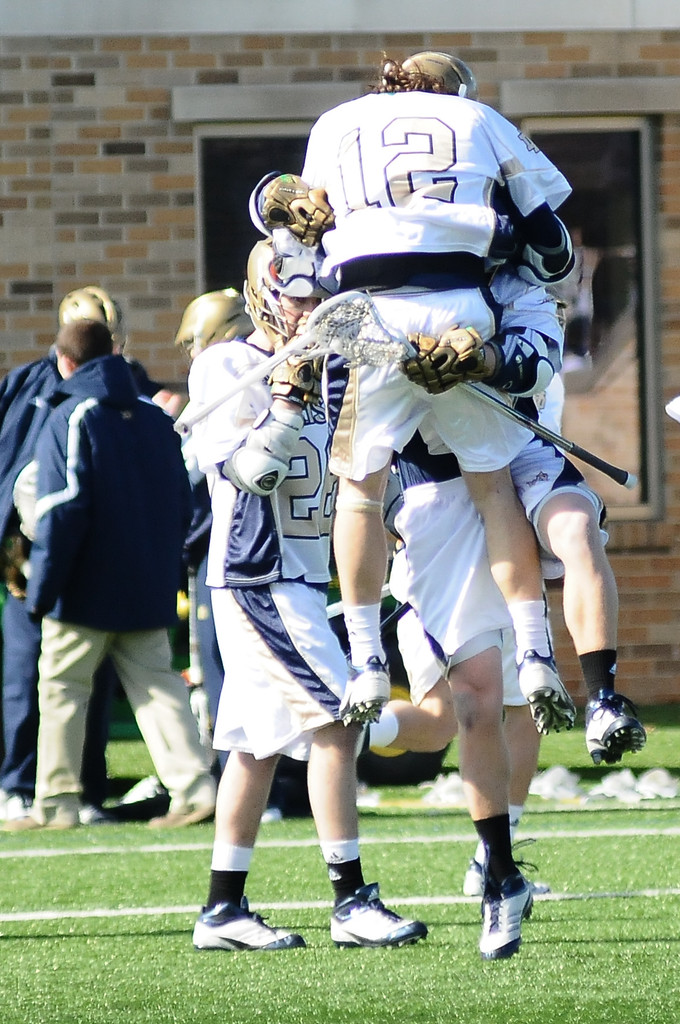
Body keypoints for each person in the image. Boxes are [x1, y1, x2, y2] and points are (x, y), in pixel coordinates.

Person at [255, 51, 576, 730]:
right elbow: (553, 251)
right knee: (493, 490)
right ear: (457, 90)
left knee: (361, 488)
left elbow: (292, 240)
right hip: (461, 307)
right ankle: (536, 648)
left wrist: (286, 221)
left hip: (367, 311)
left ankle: (367, 657)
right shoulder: (479, 117)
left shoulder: (338, 120)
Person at [187, 233, 427, 951]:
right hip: (258, 572)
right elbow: (252, 473)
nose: (309, 307)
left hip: (294, 572)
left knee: (256, 748)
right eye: (297, 294)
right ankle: (351, 900)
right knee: (340, 722)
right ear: (264, 291)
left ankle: (222, 911)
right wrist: (288, 393)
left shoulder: (330, 369)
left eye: (317, 294)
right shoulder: (228, 365)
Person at [6, 319, 216, 831]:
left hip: (82, 589)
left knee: (61, 690)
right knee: (157, 688)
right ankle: (194, 789)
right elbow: (179, 502)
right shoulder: (152, 415)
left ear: (66, 362)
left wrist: (43, 587)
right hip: (146, 583)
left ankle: (56, 804)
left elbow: (63, 508)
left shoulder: (72, 415)